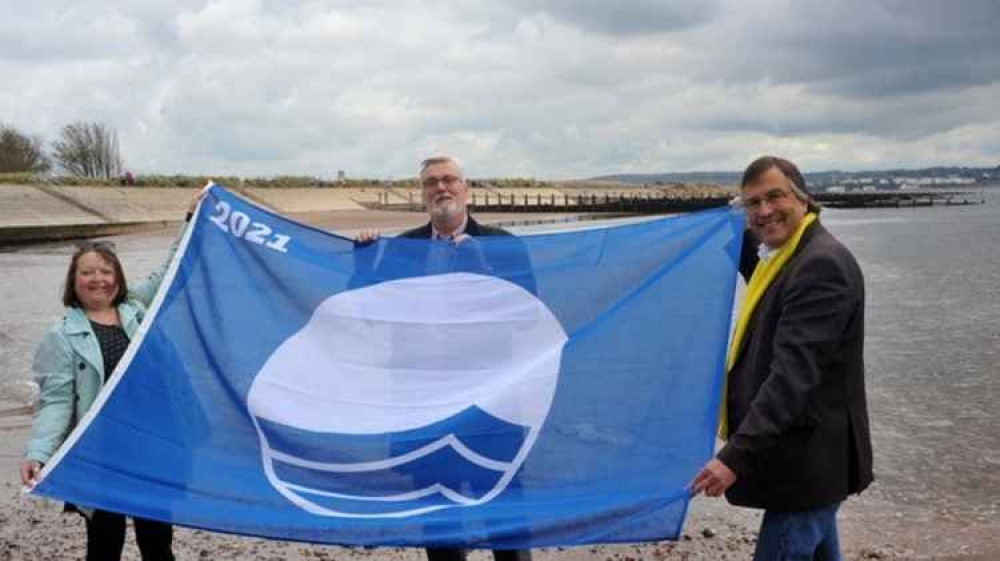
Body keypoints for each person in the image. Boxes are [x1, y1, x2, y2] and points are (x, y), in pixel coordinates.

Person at [691, 156, 873, 560]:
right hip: (809, 466)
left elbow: (792, 379)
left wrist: (733, 458)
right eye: (752, 203)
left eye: (775, 197)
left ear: (804, 198)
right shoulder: (789, 256)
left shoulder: (819, 266)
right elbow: (758, 262)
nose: (764, 211)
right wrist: (715, 228)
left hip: (807, 468)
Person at [356, 156, 533, 561]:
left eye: (449, 179)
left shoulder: (503, 245)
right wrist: (364, 266)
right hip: (427, 410)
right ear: (423, 194)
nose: (441, 188)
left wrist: (484, 270)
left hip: (493, 410)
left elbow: (528, 316)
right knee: (441, 535)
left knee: (508, 530)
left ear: (466, 188)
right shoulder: (403, 248)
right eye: (432, 182)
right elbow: (368, 314)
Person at [20, 195, 201, 561]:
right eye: (87, 272)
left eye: (106, 271)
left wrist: (192, 218)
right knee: (104, 546)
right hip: (101, 455)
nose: (98, 279)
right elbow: (56, 401)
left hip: (150, 447)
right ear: (74, 280)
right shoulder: (61, 335)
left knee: (157, 543)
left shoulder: (136, 308)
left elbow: (173, 270)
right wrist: (38, 453)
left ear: (117, 276)